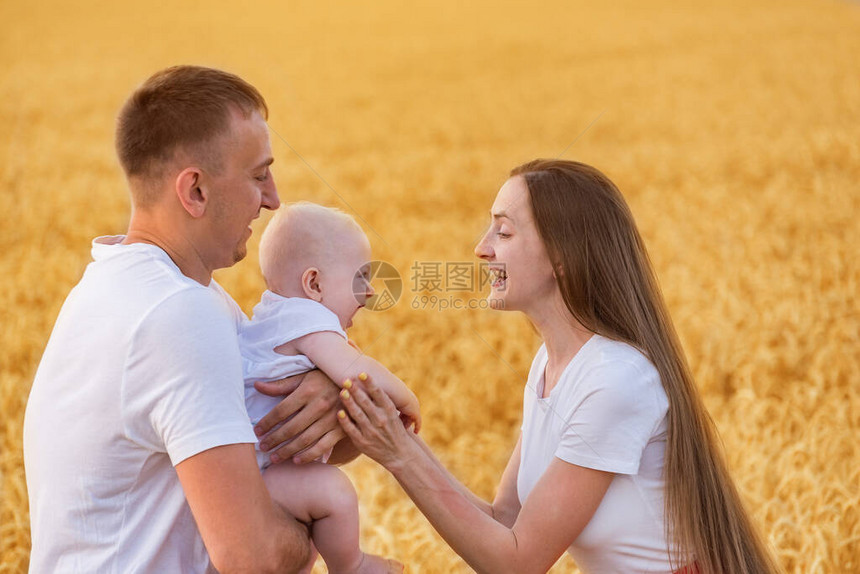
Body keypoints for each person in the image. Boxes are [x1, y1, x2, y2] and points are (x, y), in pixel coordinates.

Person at [335, 159, 781, 573]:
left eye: (503, 234)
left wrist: (399, 452)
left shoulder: (616, 379)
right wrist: (397, 437)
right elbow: (506, 521)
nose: (480, 249)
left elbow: (517, 562)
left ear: (562, 258)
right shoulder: (550, 363)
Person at [23, 66, 346, 573]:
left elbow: (289, 429)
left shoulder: (123, 287)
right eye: (258, 175)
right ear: (194, 190)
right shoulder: (179, 314)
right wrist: (320, 532)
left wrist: (330, 388)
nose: (273, 198)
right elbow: (252, 557)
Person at [240, 202, 418, 573]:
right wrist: (406, 397)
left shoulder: (272, 316)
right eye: (360, 279)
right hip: (260, 479)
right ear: (315, 284)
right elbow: (356, 371)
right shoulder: (307, 317)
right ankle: (350, 565)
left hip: (251, 476)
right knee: (333, 490)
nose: (369, 294)